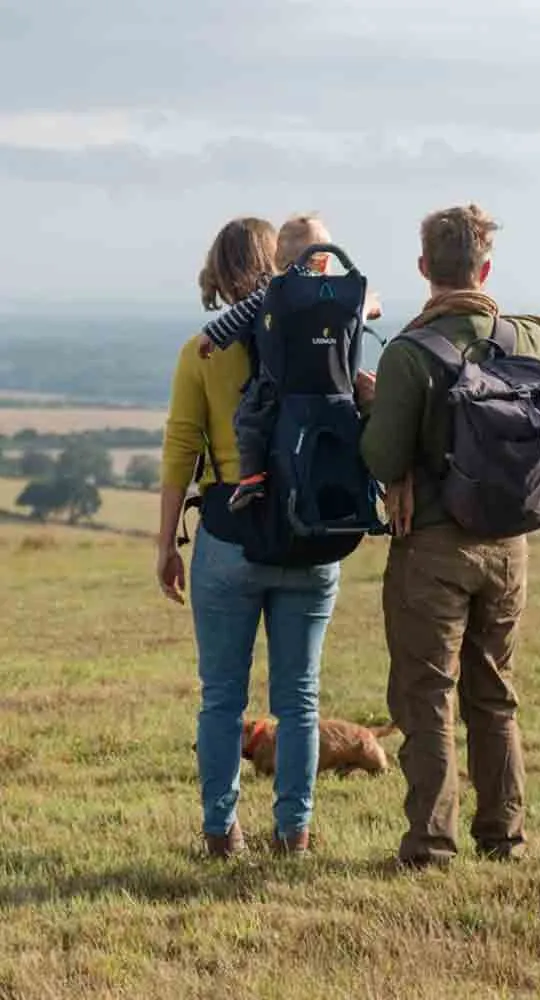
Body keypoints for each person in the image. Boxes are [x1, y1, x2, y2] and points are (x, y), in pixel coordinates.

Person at [360, 203, 540, 868]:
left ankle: (432, 846)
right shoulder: (520, 337)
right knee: (494, 697)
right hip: (508, 546)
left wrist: (371, 402)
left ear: (423, 268)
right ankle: (505, 838)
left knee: (427, 697)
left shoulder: (411, 353)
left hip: (433, 547)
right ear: (486, 268)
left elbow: (381, 458)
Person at [157, 216, 343, 857]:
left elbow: (183, 450)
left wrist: (164, 546)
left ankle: (220, 831)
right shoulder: (322, 336)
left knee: (222, 698)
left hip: (230, 534)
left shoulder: (201, 351)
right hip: (309, 533)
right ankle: (293, 833)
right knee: (299, 698)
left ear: (215, 273)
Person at [197, 214, 382, 512]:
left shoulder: (278, 292)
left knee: (248, 420)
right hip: (335, 390)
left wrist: (211, 335)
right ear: (324, 261)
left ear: (279, 259)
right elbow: (369, 307)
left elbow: (241, 314)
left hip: (283, 387)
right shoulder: (341, 297)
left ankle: (251, 477)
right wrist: (371, 307)